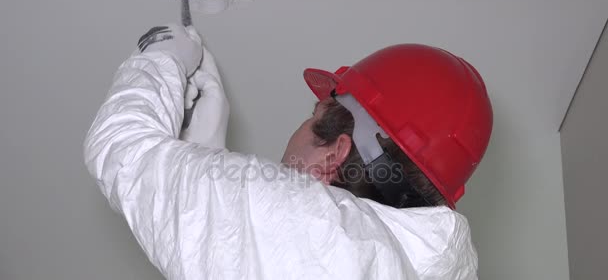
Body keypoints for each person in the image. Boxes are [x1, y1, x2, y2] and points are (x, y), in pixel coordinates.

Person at [84, 24, 492, 280]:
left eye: (313, 114)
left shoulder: (311, 228)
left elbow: (124, 149)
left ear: (333, 156)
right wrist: (207, 160)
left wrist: (161, 58)